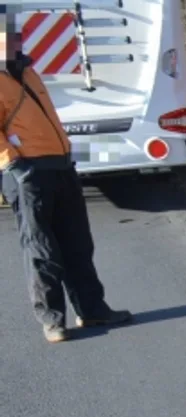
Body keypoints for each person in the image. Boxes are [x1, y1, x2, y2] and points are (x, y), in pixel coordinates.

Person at [0, 26, 130, 343]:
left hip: (59, 165)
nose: (18, 41)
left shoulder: (28, 72)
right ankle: (52, 320)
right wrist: (14, 165)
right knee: (42, 249)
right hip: (27, 171)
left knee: (77, 244)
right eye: (10, 37)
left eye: (17, 36)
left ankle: (92, 308)